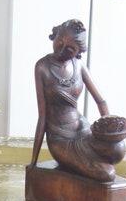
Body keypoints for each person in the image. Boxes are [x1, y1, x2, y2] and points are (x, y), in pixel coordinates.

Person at [29, 19, 117, 182]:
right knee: (107, 174)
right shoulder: (42, 67)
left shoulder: (79, 65)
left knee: (117, 150)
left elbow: (101, 101)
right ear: (55, 36)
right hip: (60, 138)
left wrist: (108, 132)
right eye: (59, 42)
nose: (61, 49)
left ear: (77, 52)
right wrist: (33, 161)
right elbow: (42, 117)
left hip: (83, 130)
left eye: (69, 49)